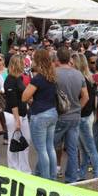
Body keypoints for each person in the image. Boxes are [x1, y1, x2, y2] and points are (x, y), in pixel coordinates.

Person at [54, 47, 89, 183]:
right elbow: (85, 97)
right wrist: (77, 108)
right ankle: (71, 178)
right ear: (69, 59)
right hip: (74, 116)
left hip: (59, 115)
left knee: (51, 146)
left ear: (57, 59)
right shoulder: (78, 74)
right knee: (73, 149)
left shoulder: (53, 73)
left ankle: (50, 174)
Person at [22, 48, 58, 180]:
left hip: (40, 114)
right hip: (52, 112)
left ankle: (46, 178)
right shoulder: (52, 76)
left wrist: (32, 98)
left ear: (37, 60)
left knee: (42, 150)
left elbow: (24, 97)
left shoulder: (38, 78)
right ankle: (52, 177)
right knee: (50, 147)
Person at [74, 54, 98, 180]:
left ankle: (97, 175)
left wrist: (76, 111)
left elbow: (86, 98)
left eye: (72, 62)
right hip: (87, 115)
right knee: (84, 148)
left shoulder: (82, 79)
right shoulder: (88, 78)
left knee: (89, 148)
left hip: (83, 117)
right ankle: (83, 174)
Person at [4, 54, 31, 173]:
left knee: (26, 141)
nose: (25, 65)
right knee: (13, 141)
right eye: (22, 63)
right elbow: (12, 102)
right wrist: (17, 120)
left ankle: (24, 169)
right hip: (13, 115)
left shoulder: (19, 78)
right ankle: (14, 169)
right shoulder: (9, 80)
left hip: (23, 114)